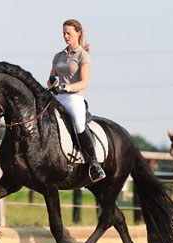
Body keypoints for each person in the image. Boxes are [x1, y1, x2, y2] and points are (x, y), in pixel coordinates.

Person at [47, 19, 105, 182]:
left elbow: (84, 82)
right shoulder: (58, 55)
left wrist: (66, 87)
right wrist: (52, 81)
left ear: (78, 34)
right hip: (57, 96)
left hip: (74, 97)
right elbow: (50, 79)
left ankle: (94, 164)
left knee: (79, 125)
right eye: (63, 33)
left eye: (69, 33)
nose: (65, 36)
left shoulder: (83, 55)